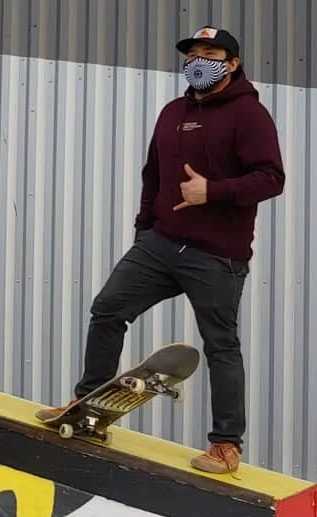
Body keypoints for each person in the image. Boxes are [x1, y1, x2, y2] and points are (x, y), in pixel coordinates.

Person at [36, 26, 285, 475]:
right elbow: (152, 176)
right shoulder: (173, 112)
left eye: (210, 53)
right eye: (192, 53)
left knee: (221, 344)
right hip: (161, 243)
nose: (197, 60)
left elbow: (272, 178)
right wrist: (144, 234)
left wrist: (213, 191)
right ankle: (87, 408)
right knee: (108, 309)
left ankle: (226, 444)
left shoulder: (249, 114)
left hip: (217, 255)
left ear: (232, 64)